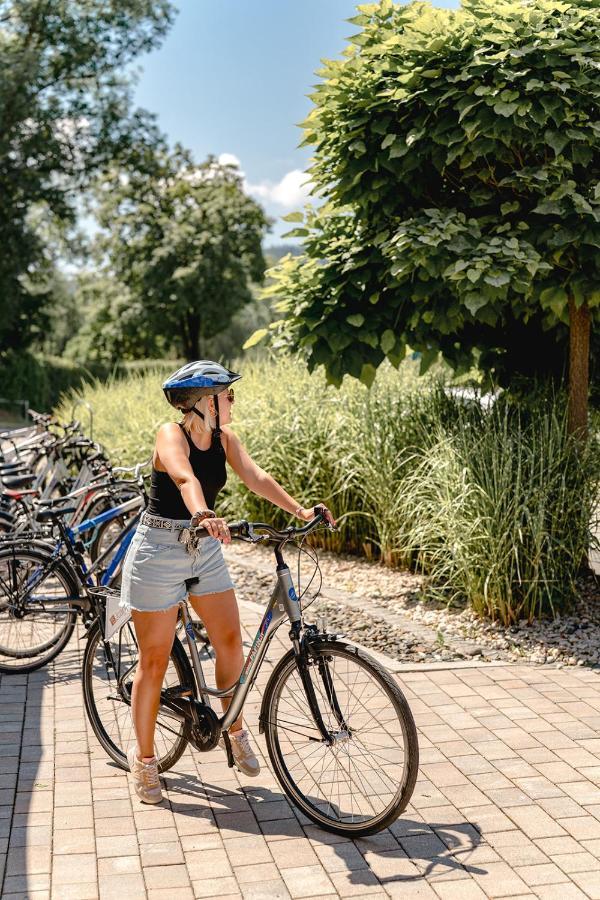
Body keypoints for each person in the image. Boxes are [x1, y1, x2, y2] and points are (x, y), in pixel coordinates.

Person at [120, 360, 336, 804]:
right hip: (160, 549)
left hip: (204, 548)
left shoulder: (225, 439)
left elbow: (257, 478)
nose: (233, 401)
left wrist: (300, 512)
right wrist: (201, 513)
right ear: (203, 403)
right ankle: (143, 763)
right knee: (155, 661)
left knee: (231, 640)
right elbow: (184, 477)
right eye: (227, 395)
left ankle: (234, 731)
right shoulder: (170, 434)